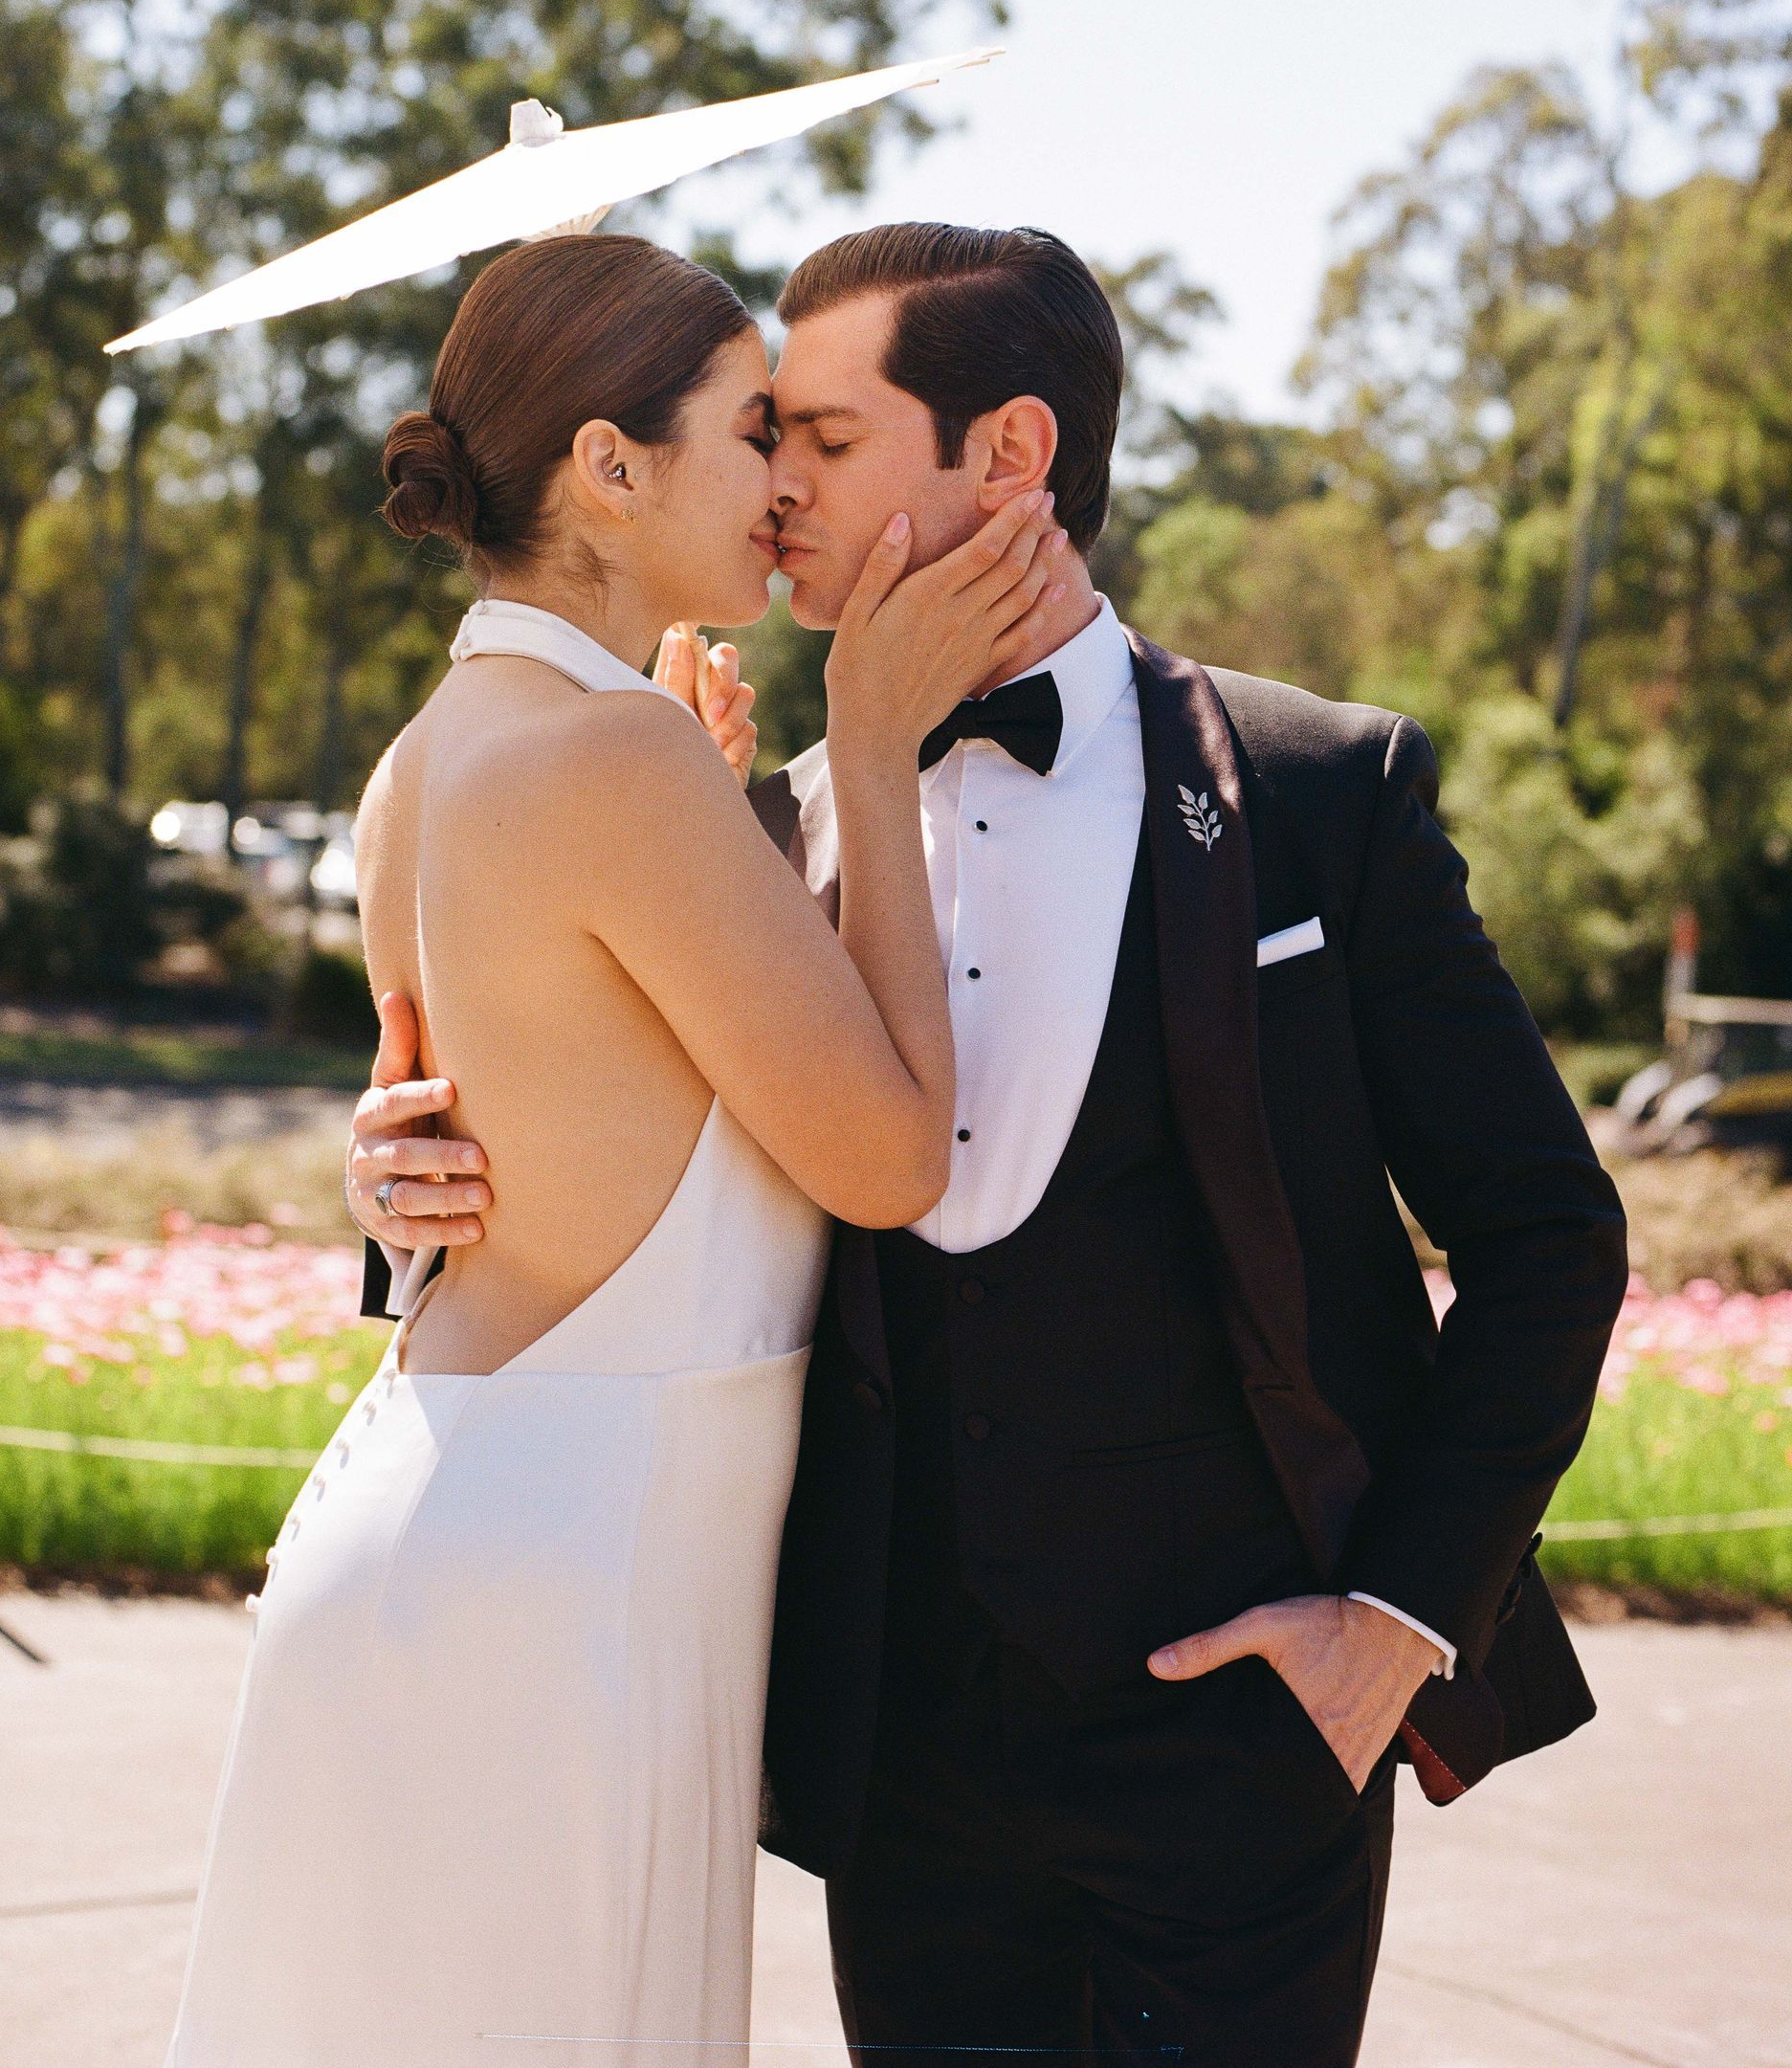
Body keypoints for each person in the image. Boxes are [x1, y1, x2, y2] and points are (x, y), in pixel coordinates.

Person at [352, 223, 1630, 2068]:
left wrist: (1396, 1621)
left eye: (831, 438)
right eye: (763, 435)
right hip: (908, 1776)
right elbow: (584, 1168)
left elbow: (1548, 1233)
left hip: (1248, 1754)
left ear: (1010, 458)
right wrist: (393, 1182)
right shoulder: (755, 824)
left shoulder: (1312, 793)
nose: (777, 484)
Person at [166, 232, 1065, 2068]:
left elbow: (506, 1118)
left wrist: (711, 786)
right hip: (560, 1599)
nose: (787, 484)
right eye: (753, 431)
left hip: (457, 1530)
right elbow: (892, 1153)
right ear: (612, 466)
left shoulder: (424, 761)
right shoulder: (620, 764)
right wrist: (866, 750)